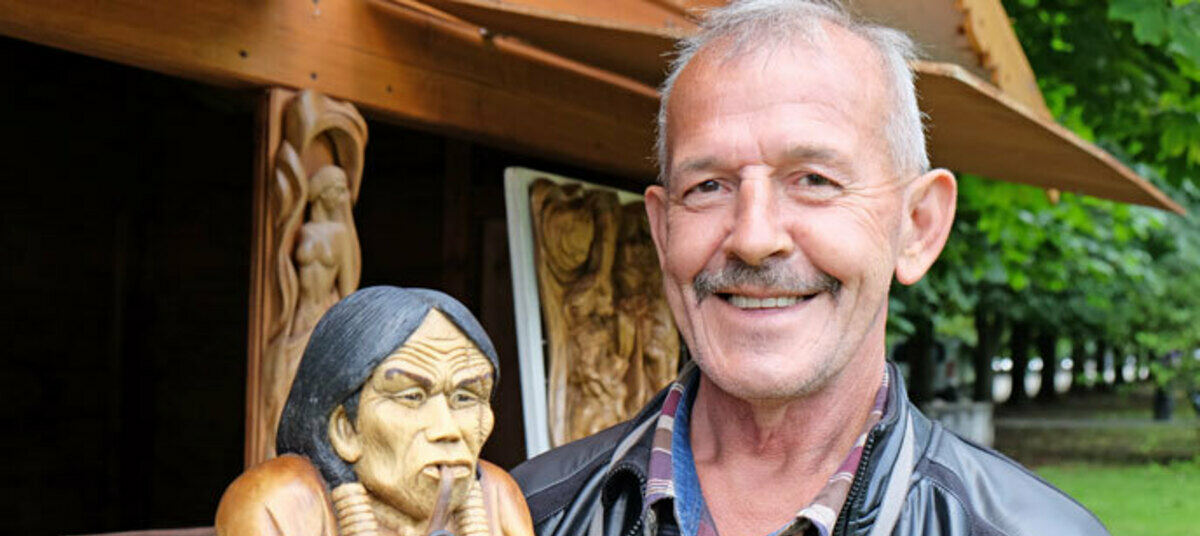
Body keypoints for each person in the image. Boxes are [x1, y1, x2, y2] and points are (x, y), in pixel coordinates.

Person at [511, 1, 1108, 536]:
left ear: (918, 226)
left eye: (815, 181)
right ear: (663, 231)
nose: (754, 238)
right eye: (709, 185)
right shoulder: (523, 519)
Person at [217, 286, 534, 536]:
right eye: (412, 397)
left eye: (465, 398)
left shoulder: (495, 495)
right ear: (345, 428)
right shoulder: (283, 501)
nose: (448, 429)